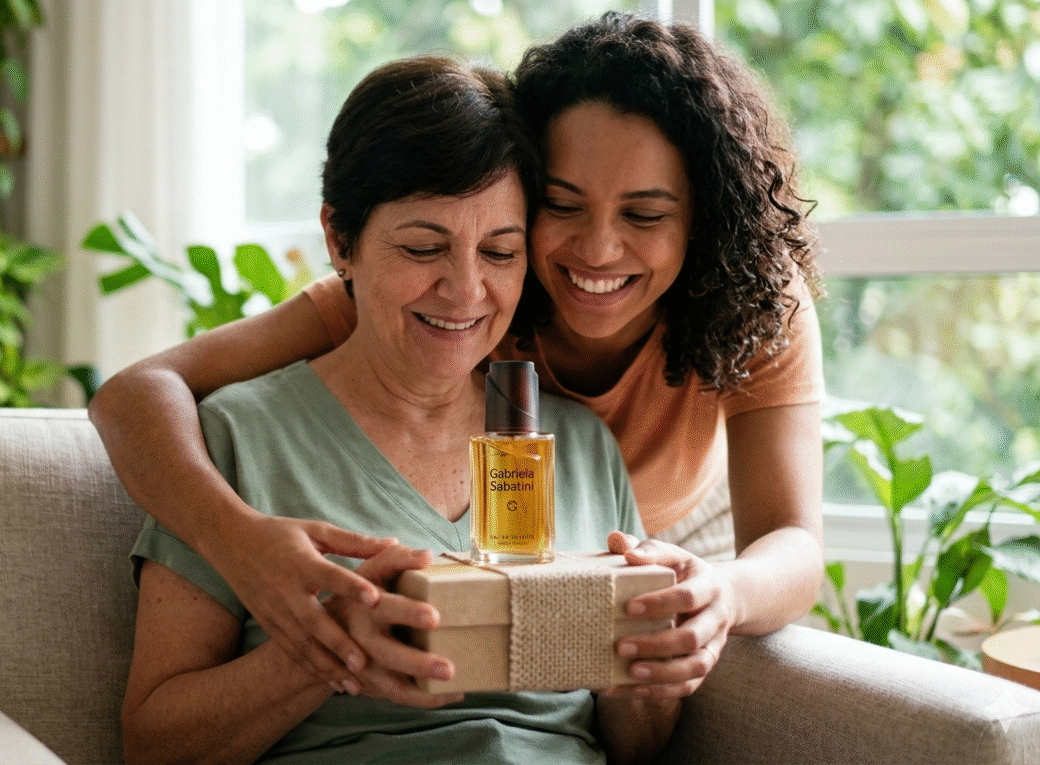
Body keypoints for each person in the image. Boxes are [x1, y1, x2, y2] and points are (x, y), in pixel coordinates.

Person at [91, 11, 824, 699]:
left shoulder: (747, 300)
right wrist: (240, 543)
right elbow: (137, 391)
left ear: (703, 221)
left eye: (644, 214)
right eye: (562, 206)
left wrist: (722, 591)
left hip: (666, 527)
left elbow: (793, 541)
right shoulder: (464, 301)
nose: (598, 248)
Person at [121, 55, 676, 765]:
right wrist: (325, 653)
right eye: (423, 246)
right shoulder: (236, 438)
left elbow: (642, 744)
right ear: (339, 240)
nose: (467, 289)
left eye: (501, 251)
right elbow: (152, 745)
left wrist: (645, 657)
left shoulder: (578, 445)